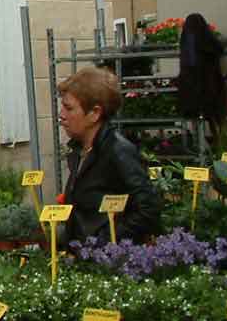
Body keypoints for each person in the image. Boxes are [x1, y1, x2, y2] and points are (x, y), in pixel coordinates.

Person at [58, 66, 161, 245]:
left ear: (94, 113)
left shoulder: (119, 151)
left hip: (108, 257)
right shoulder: (79, 150)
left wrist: (105, 242)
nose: (62, 115)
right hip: (82, 255)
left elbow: (148, 209)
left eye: (69, 108)